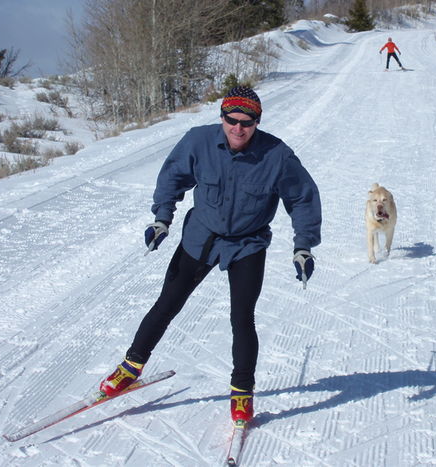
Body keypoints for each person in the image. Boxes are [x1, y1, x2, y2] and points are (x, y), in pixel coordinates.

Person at [99, 86, 322, 426]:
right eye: (231, 120)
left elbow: (303, 199)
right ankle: (131, 367)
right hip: (201, 236)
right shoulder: (198, 142)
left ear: (257, 122)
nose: (238, 128)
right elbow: (172, 177)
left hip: (248, 243)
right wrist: (162, 218)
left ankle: (242, 392)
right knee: (168, 303)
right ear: (221, 118)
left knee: (242, 318)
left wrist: (303, 246)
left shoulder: (277, 156)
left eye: (247, 122)